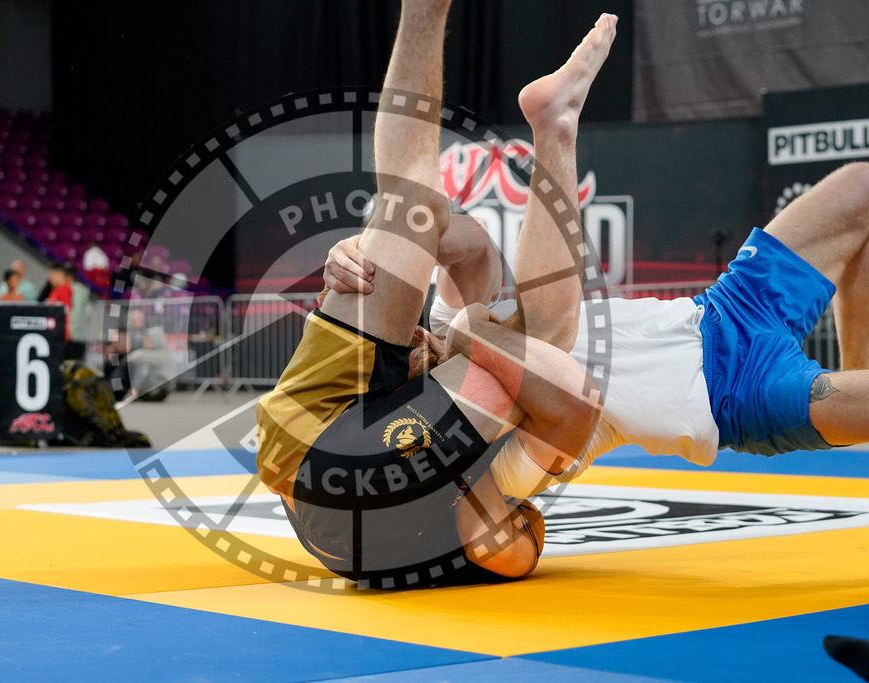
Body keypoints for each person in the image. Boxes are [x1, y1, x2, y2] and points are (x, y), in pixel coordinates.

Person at [256, 2, 615, 588]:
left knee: (529, 352)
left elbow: (570, 400)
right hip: (328, 470)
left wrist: (462, 339)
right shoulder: (500, 431)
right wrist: (375, 245)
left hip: (321, 472)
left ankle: (547, 119)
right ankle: (549, 121)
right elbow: (470, 249)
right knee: (420, 213)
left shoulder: (493, 437)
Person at [325, 161, 869, 499]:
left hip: (721, 310)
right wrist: (471, 329)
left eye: (399, 341)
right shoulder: (492, 454)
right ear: (407, 399)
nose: (411, 338)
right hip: (738, 398)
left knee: (861, 189)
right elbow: (569, 394)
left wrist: (370, 255)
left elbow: (460, 237)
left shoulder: (444, 327)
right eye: (401, 359)